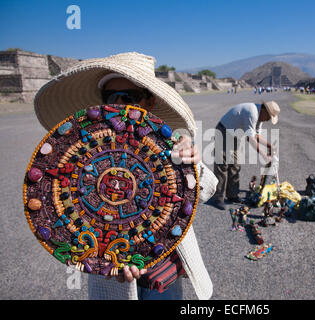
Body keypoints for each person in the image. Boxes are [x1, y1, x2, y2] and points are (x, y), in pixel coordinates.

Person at [33, 52, 218, 300]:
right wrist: (105, 261)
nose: (119, 103)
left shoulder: (166, 143)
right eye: (111, 96)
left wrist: (192, 165)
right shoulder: (82, 149)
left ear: (148, 102)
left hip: (163, 269)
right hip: (113, 272)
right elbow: (63, 213)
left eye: (129, 96)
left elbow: (206, 190)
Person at [210, 101, 280, 210]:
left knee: (235, 165)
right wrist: (263, 155)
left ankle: (232, 195)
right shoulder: (252, 112)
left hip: (235, 135)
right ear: (264, 110)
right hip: (224, 131)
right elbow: (250, 138)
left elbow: (256, 135)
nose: (268, 120)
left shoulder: (259, 116)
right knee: (222, 165)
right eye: (269, 117)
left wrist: (269, 146)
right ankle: (218, 198)